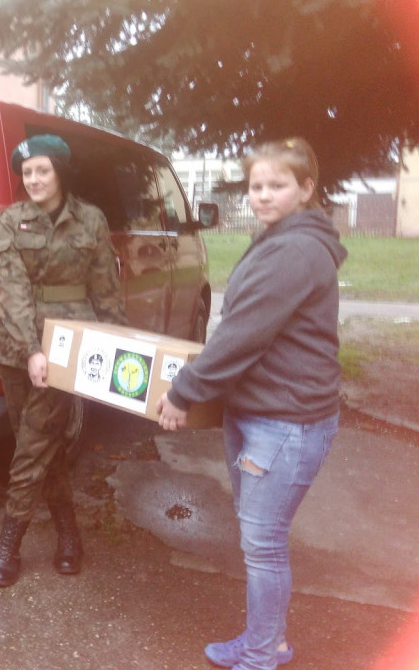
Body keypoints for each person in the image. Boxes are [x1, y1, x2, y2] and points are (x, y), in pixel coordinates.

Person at [157, 137, 345, 670]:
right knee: (257, 536)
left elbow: (240, 335)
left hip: (285, 421)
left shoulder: (296, 248)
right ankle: (267, 639)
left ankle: (262, 654)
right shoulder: (277, 238)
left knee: (263, 545)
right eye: (257, 185)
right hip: (259, 411)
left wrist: (182, 393)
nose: (263, 195)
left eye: (277, 185)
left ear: (306, 188)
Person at [0, 134, 127, 588]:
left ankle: (9, 542)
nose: (34, 180)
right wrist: (31, 349)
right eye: (27, 173)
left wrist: (119, 351)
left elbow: (106, 289)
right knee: (43, 446)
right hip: (16, 350)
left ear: (60, 172)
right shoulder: (11, 220)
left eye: (42, 170)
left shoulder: (90, 221)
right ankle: (68, 533)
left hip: (71, 347)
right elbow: (9, 289)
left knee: (33, 444)